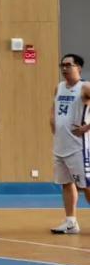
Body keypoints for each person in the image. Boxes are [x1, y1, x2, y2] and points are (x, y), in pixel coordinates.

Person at [50, 53, 90, 234]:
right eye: (62, 65)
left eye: (68, 65)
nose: (64, 68)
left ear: (78, 68)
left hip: (79, 147)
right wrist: (52, 121)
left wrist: (87, 127)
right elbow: (54, 108)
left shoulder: (85, 87)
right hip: (60, 145)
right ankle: (71, 223)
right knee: (66, 183)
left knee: (86, 186)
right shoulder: (59, 87)